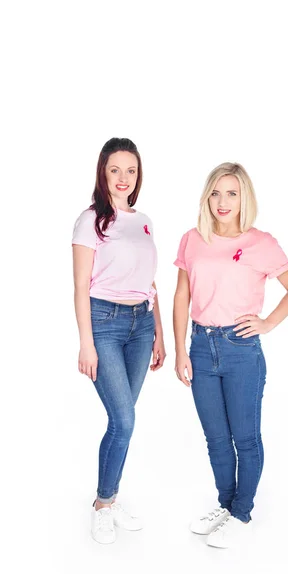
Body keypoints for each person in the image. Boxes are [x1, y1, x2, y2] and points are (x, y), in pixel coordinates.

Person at [173, 162, 288, 549]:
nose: (222, 201)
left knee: (244, 439)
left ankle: (242, 513)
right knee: (216, 439)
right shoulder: (192, 238)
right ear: (207, 197)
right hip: (200, 346)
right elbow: (183, 295)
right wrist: (180, 347)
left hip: (240, 349)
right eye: (216, 192)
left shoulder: (261, 242)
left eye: (231, 193)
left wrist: (267, 323)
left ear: (244, 197)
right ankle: (226, 506)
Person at [72, 137, 166, 544]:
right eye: (115, 170)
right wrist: (86, 343)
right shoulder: (90, 219)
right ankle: (103, 503)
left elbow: (150, 282)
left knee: (121, 422)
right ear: (103, 173)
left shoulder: (144, 220)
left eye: (131, 170)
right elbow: (79, 287)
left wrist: (159, 332)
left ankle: (108, 497)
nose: (123, 177)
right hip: (104, 325)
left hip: (141, 327)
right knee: (124, 420)